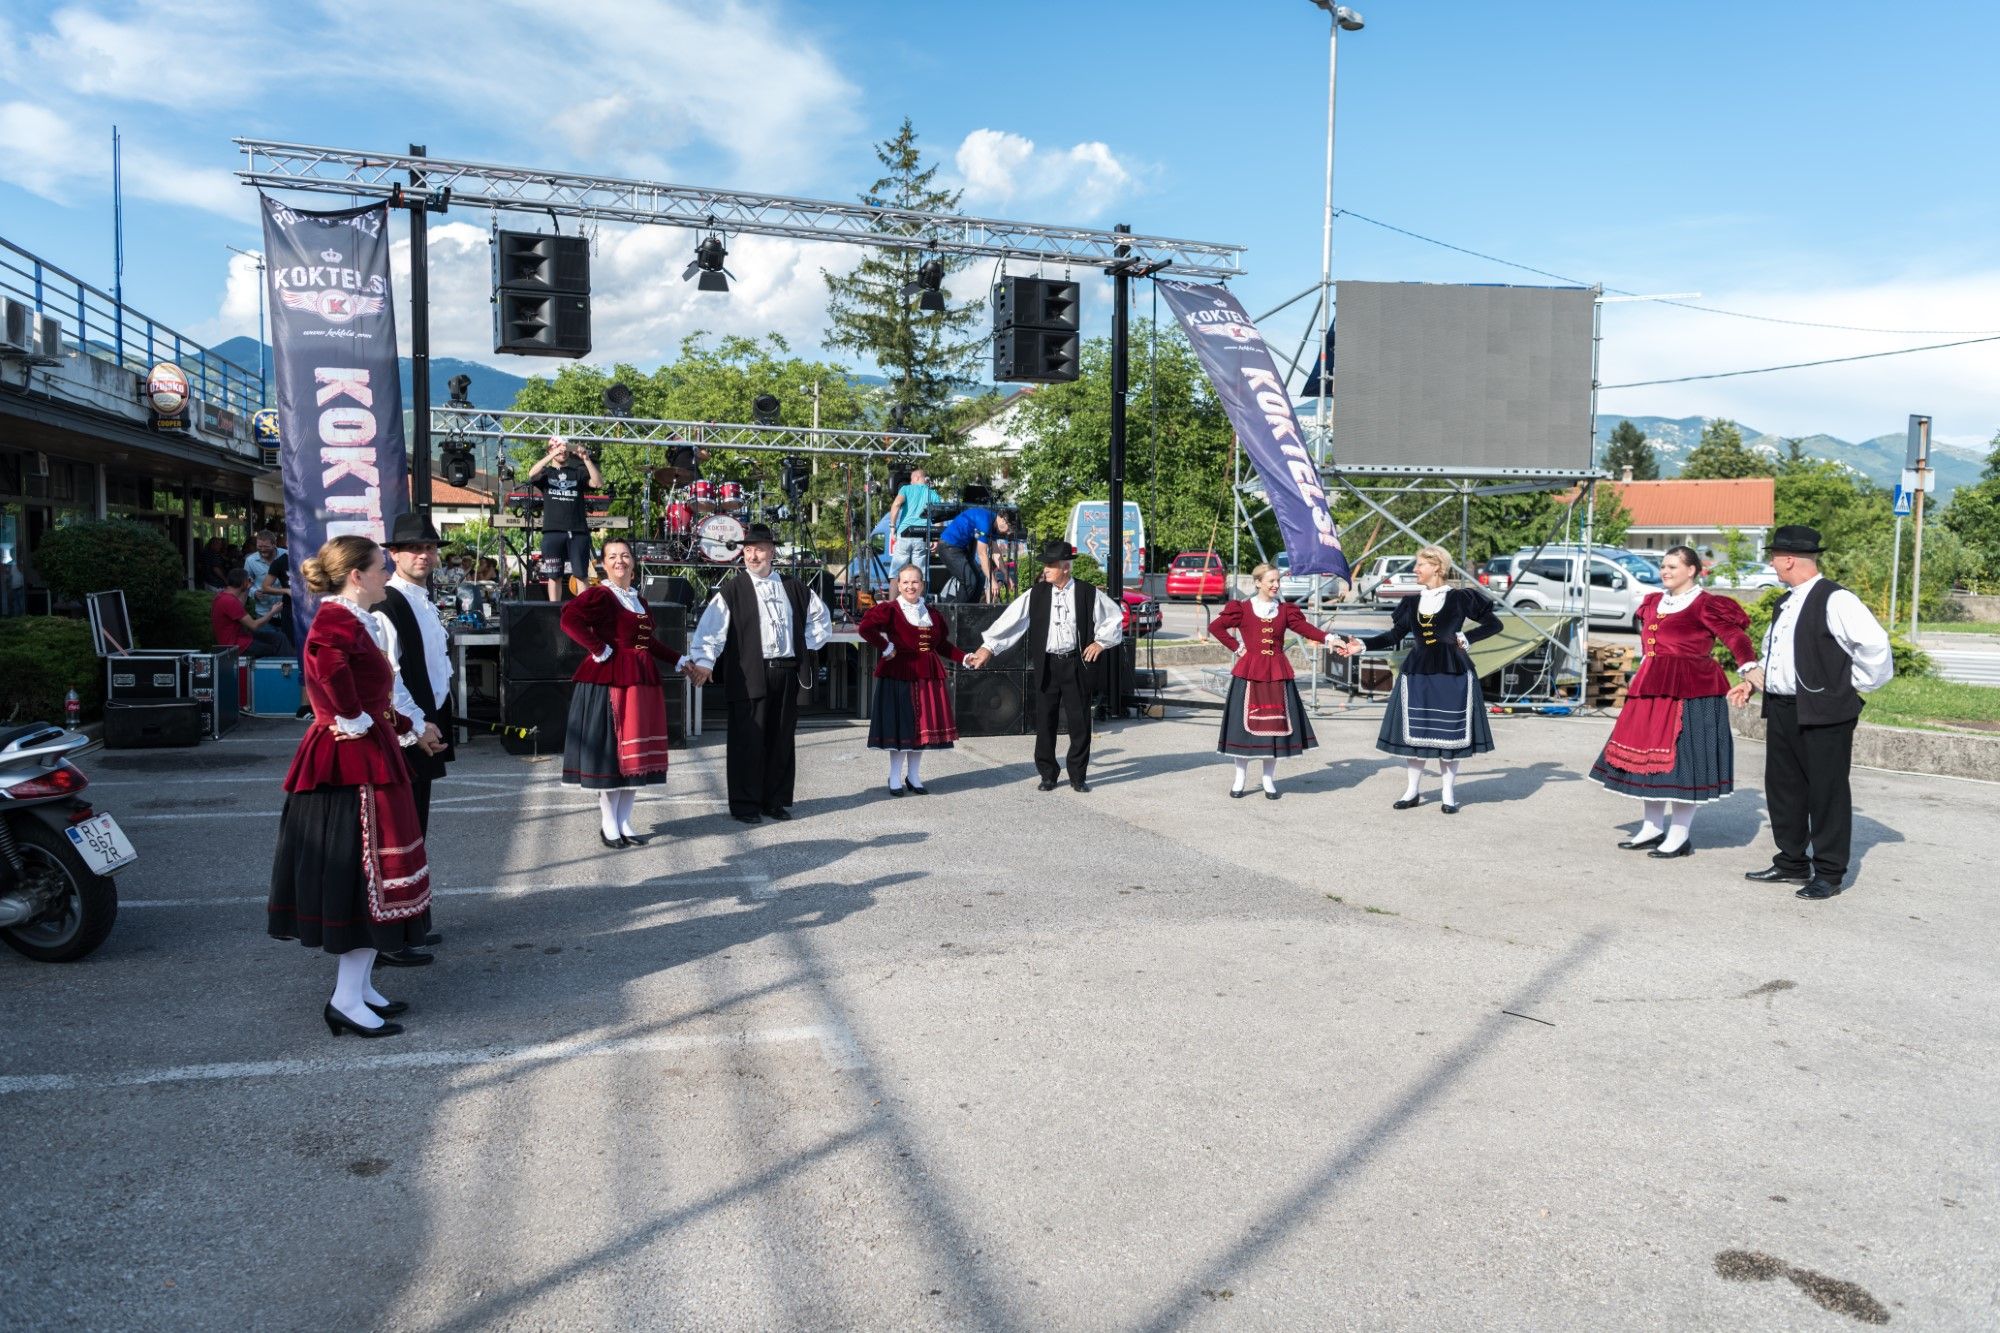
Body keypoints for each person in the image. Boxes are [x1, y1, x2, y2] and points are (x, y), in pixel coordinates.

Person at [266, 535, 433, 1038]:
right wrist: (350, 717)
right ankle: (344, 999)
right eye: (381, 567)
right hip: (349, 764)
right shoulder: (337, 618)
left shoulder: (358, 619)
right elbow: (323, 668)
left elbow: (367, 689)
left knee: (377, 881)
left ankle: (358, 988)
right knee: (365, 882)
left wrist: (404, 724)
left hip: (369, 751)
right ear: (356, 576)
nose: (386, 574)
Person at [1729, 525, 1893, 900]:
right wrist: (1754, 683)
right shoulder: (1784, 601)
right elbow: (1775, 655)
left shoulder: (1836, 599)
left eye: (1773, 556)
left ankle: (1830, 872)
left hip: (1826, 710)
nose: (1771, 563)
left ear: (1788, 559)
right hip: (1784, 707)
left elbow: (1874, 644)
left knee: (1826, 791)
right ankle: (1791, 861)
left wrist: (1853, 685)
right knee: (1784, 787)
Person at [1587, 546, 1757, 858]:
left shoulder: (1706, 604)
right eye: (1663, 566)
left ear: (1692, 570)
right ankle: (1652, 826)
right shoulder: (1653, 601)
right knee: (1648, 759)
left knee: (1683, 763)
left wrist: (1748, 667)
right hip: (1651, 686)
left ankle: (1680, 834)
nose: (1665, 571)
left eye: (1673, 567)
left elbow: (1736, 638)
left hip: (1691, 690)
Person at [679, 524, 832, 824]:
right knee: (748, 740)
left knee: (780, 739)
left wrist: (804, 645)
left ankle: (773, 800)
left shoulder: (795, 587)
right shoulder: (733, 590)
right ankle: (745, 804)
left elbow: (820, 619)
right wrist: (705, 661)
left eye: (759, 549)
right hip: (750, 673)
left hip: (785, 672)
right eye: (748, 550)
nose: (752, 555)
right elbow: (712, 629)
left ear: (772, 551)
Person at [1335, 545, 1502, 812]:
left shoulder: (1461, 598)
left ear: (1437, 566)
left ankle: (1448, 795)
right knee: (1417, 735)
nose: (1415, 569)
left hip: (1453, 672)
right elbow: (1393, 637)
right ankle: (1412, 791)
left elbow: (1495, 624)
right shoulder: (1412, 603)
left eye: (1420, 565)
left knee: (1449, 736)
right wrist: (1361, 646)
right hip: (1418, 672)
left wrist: (1468, 638)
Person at [967, 538, 1123, 792]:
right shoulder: (1037, 593)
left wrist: (1101, 643)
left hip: (1075, 663)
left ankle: (1077, 776)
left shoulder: (1087, 592)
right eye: (1045, 565)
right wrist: (988, 647)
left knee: (1079, 721)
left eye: (1050, 565)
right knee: (1045, 720)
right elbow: (1012, 620)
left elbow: (1114, 617)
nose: (1045, 570)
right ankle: (1048, 773)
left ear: (1065, 567)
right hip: (1048, 664)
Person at [560, 537, 677, 846]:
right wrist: (598, 648)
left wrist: (680, 659)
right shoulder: (601, 594)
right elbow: (568, 619)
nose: (619, 561)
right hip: (610, 683)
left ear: (634, 563)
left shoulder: (639, 600)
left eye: (625, 555)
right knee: (612, 757)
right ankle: (609, 823)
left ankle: (625, 821)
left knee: (635, 758)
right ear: (604, 564)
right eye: (612, 557)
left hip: (640, 681)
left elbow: (648, 643)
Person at [1208, 563, 1335, 799]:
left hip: (1277, 671)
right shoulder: (1243, 609)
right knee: (1242, 728)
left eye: (1278, 581)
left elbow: (1306, 629)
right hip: (1249, 672)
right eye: (1271, 581)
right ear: (1258, 583)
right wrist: (1237, 647)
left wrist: (1330, 638)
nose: (1276, 585)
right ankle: (1240, 779)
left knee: (1274, 726)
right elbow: (1216, 627)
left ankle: (1268, 780)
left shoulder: (1285, 610)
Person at [858, 564, 975, 795]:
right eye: (906, 582)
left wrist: (964, 658)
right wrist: (886, 645)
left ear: (922, 585)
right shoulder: (890, 610)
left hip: (926, 675)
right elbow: (865, 629)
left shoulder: (932, 614)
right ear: (899, 585)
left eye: (915, 582)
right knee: (902, 728)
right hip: (899, 673)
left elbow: (940, 645)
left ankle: (913, 776)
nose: (910, 586)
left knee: (921, 728)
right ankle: (894, 777)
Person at [526, 435, 604, 602]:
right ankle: (555, 611)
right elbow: (531, 474)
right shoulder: (546, 473)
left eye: (565, 449)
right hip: (553, 531)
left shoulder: (578, 473)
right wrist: (552, 455)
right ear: (550, 450)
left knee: (582, 574)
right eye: (558, 449)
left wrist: (587, 459)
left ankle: (585, 611)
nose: (563, 452)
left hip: (577, 531)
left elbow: (598, 484)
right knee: (554, 576)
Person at [935, 504, 1013, 604]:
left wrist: (1006, 575)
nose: (1008, 533)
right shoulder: (985, 522)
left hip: (961, 549)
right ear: (1003, 519)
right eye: (1009, 528)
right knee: (969, 582)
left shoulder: (994, 525)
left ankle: (972, 610)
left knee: (980, 577)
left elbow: (995, 553)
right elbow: (982, 555)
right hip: (948, 547)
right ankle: (955, 613)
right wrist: (993, 581)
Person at [211, 567, 293, 658]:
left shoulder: (224, 595)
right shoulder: (229, 601)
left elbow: (240, 606)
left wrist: (247, 589)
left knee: (279, 638)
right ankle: (285, 669)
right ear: (243, 583)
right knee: (275, 648)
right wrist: (273, 612)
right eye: (248, 580)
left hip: (241, 638)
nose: (250, 582)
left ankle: (288, 666)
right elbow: (254, 625)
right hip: (237, 646)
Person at [886, 467, 942, 578]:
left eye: (911, 479)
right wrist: (936, 539)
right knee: (921, 575)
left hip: (904, 533)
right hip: (922, 536)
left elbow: (896, 504)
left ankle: (893, 596)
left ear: (916, 477)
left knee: (896, 574)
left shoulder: (906, 489)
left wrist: (892, 527)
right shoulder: (934, 494)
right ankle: (920, 596)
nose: (910, 482)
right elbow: (939, 518)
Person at [244, 529, 285, 617]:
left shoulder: (286, 555)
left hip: (286, 610)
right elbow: (246, 582)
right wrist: (254, 592)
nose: (262, 550)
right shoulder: (250, 560)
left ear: (274, 545)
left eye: (266, 546)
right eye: (259, 546)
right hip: (264, 611)